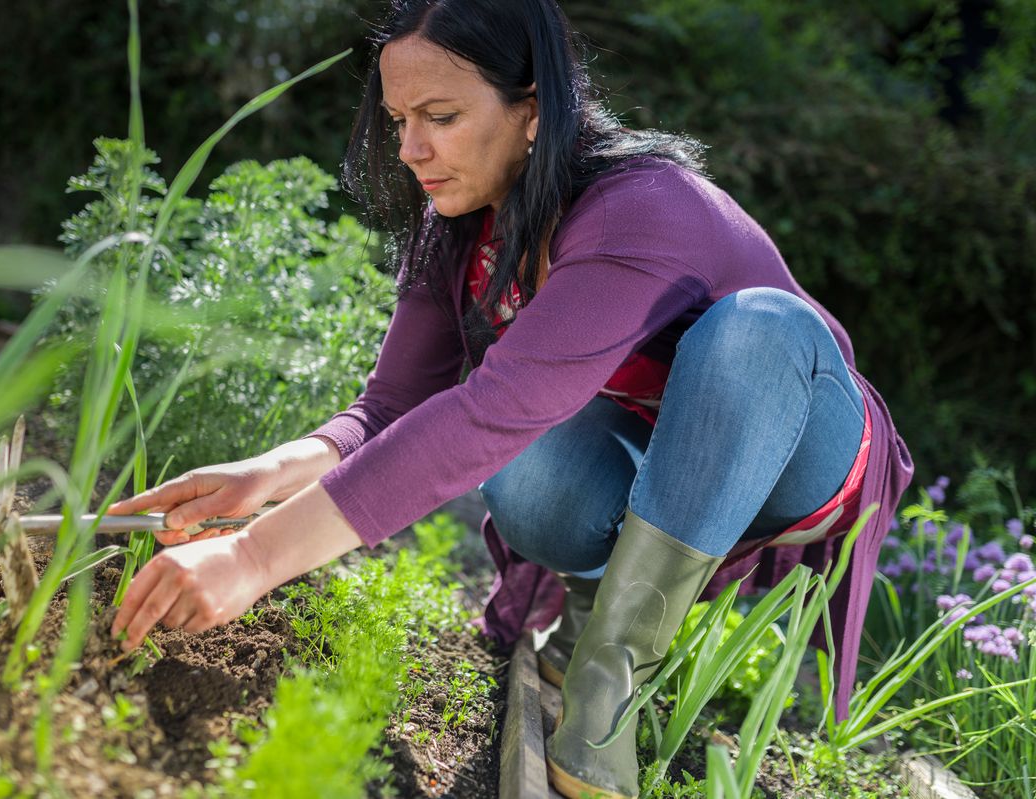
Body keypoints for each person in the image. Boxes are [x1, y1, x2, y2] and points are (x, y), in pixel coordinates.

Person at [108, 1, 914, 796]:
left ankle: (611, 677)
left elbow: (486, 410)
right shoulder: (459, 221)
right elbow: (390, 406)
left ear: (531, 112)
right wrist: (265, 475)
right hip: (656, 442)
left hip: (799, 447)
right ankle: (600, 599)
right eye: (397, 120)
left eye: (441, 115)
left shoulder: (640, 208)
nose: (412, 148)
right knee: (524, 464)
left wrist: (253, 557)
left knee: (755, 326)